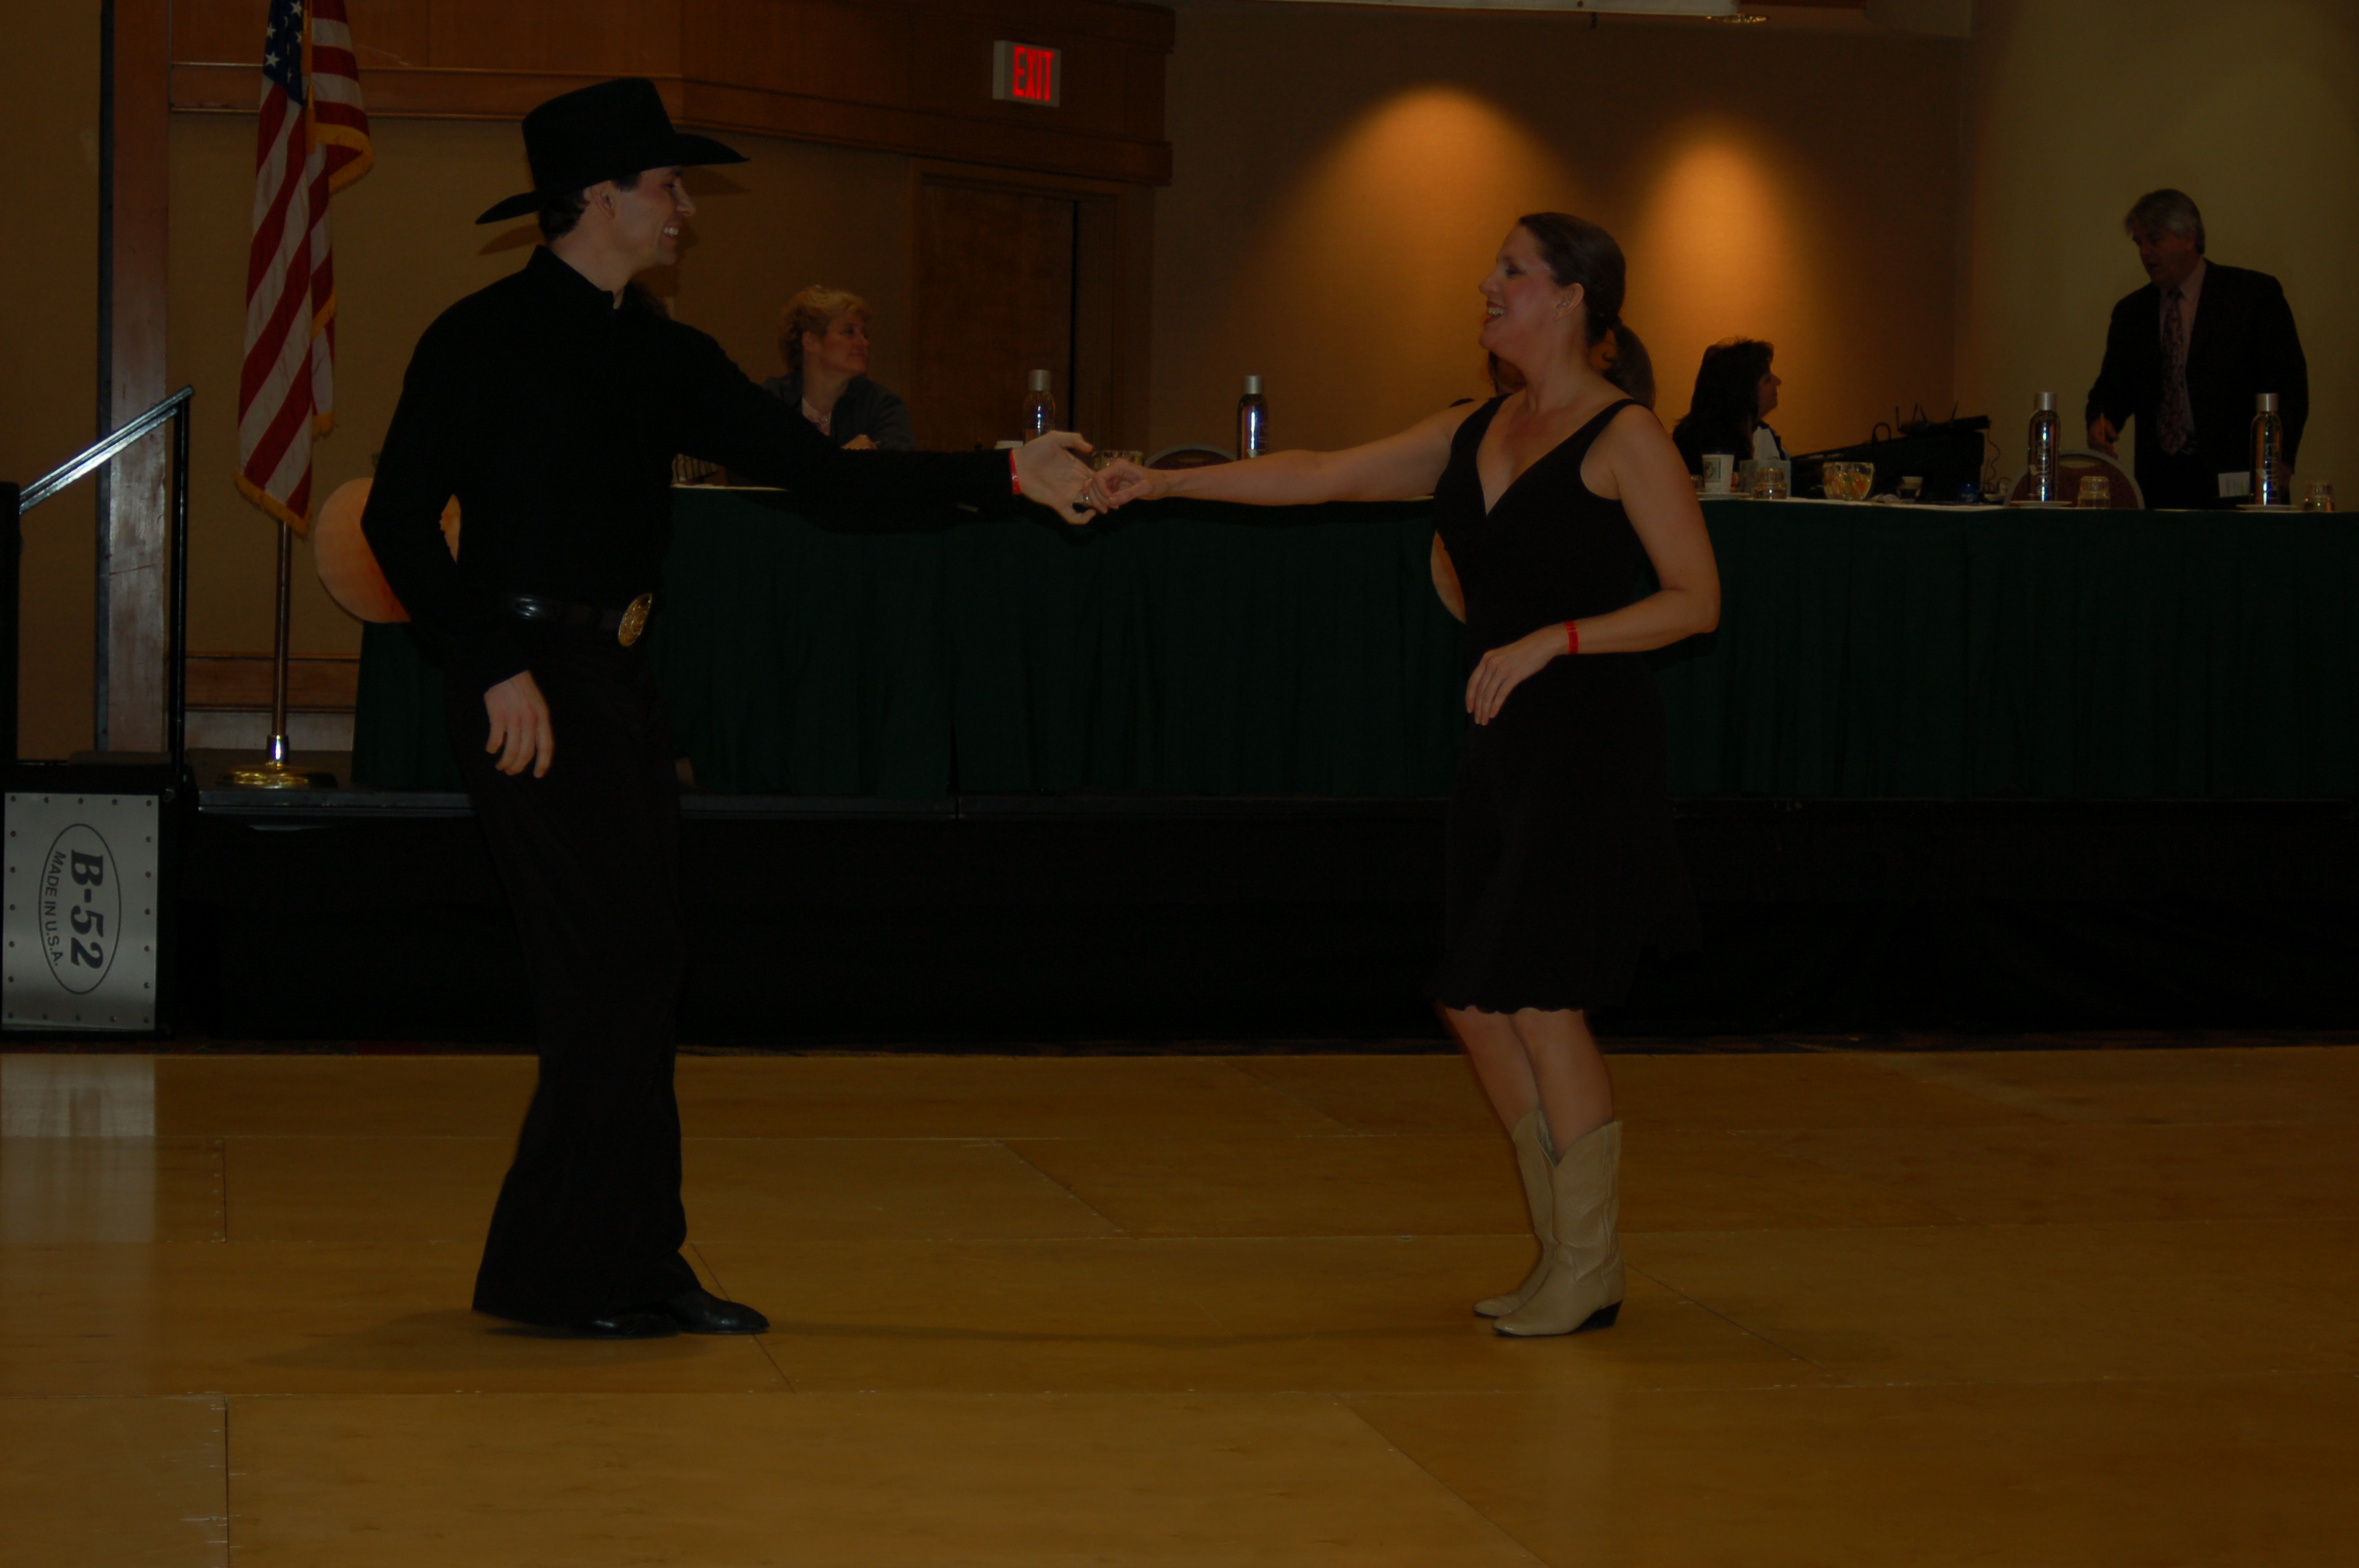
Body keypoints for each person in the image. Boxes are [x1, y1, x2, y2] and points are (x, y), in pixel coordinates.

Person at [361, 78, 1104, 1340]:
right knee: (613, 971)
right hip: (525, 686)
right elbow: (397, 522)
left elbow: (821, 475)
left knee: (639, 967)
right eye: (668, 187)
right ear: (598, 199)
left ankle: (628, 1261)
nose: (686, 211)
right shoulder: (478, 337)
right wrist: (488, 663)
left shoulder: (662, 352)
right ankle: (569, 1272)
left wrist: (1007, 473)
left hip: (617, 685)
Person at [1098, 214, 1717, 1338]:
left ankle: (1589, 1263)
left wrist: (1552, 640)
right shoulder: (1472, 427)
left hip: (1587, 737)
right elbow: (1320, 474)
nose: (1487, 284)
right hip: (1503, 740)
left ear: (1570, 297)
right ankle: (1564, 1252)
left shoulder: (1625, 435)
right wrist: (1161, 485)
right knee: (1474, 998)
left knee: (1540, 995)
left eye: (1512, 270)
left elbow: (1695, 600)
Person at [2085, 188, 2308, 509]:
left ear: (2189, 237)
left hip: (2239, 480)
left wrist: (2281, 461)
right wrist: (2100, 420)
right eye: (2139, 243)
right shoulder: (2132, 312)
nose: (2145, 253)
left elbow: (2289, 385)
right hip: (2160, 484)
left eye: (2154, 240)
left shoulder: (2251, 297)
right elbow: (2112, 387)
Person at [761, 285, 914, 451]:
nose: (864, 343)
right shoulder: (771, 401)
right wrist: (844, 459)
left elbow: (899, 464)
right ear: (811, 342)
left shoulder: (881, 406)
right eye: (849, 332)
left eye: (865, 334)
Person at [1670, 337, 1780, 474]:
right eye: (1767, 380)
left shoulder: (1763, 433)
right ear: (1744, 393)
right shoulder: (1709, 441)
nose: (1778, 381)